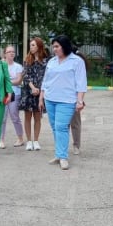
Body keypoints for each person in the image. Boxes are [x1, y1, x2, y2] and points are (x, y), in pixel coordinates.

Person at [39, 35, 87, 170]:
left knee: (61, 127)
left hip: (67, 101)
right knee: (55, 128)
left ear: (64, 46)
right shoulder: (52, 62)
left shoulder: (76, 61)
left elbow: (81, 82)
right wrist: (41, 96)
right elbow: (45, 80)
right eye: (53, 46)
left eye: (57, 46)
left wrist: (80, 101)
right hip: (50, 99)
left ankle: (63, 157)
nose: (54, 49)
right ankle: (59, 154)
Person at [19, 37, 49, 151]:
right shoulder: (27, 60)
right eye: (30, 45)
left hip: (40, 93)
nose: (31, 47)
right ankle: (29, 141)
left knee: (37, 117)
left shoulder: (46, 61)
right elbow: (25, 76)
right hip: (28, 92)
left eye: (33, 45)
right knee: (27, 117)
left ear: (39, 46)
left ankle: (36, 140)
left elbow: (46, 77)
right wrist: (32, 88)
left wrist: (39, 90)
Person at [0, 45, 24, 148]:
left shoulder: (18, 66)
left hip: (15, 93)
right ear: (5, 53)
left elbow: (18, 81)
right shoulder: (0, 65)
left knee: (15, 116)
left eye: (13, 51)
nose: (11, 53)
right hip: (3, 94)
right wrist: (10, 82)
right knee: (2, 117)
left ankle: (20, 138)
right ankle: (1, 140)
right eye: (9, 51)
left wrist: (7, 82)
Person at [69, 47, 89, 156]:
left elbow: (81, 84)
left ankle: (76, 145)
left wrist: (79, 100)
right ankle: (65, 146)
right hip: (64, 97)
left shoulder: (77, 63)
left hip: (74, 98)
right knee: (65, 124)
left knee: (75, 123)